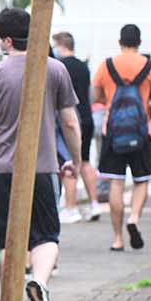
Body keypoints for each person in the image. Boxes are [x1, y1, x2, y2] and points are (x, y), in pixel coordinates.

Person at [0, 8, 82, 301]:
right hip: (44, 167)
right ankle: (41, 282)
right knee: (46, 235)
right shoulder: (55, 70)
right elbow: (70, 122)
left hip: (2, 169)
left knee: (7, 241)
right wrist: (75, 158)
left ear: (6, 39)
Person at [94, 24, 151, 252]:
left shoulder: (106, 66)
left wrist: (112, 106)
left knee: (116, 181)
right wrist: (144, 111)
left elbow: (96, 96)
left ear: (119, 41)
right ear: (139, 42)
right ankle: (134, 217)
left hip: (112, 131)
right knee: (141, 180)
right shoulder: (150, 67)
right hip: (139, 131)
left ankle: (117, 238)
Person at [51, 31, 100, 223]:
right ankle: (94, 203)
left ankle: (70, 208)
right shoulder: (83, 67)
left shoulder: (60, 67)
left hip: (70, 120)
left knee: (68, 163)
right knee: (85, 161)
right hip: (87, 118)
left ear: (61, 45)